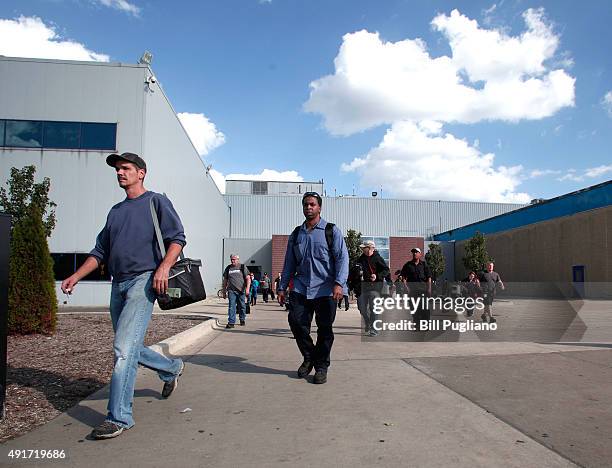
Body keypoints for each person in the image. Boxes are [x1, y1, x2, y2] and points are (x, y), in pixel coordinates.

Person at [60, 152, 186, 440]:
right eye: (117, 169)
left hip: (144, 282)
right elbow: (100, 251)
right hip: (118, 284)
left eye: (126, 168)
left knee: (122, 350)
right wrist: (76, 276)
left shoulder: (156, 202)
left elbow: (177, 237)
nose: (120, 172)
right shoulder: (115, 212)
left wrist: (163, 267)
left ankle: (119, 417)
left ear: (141, 172)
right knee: (128, 347)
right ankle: (171, 368)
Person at [277, 192, 348, 384]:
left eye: (312, 204)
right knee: (296, 323)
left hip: (326, 289)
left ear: (319, 208)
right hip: (301, 287)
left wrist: (339, 283)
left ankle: (321, 367)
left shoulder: (331, 231)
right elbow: (289, 262)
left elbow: (342, 259)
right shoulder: (296, 234)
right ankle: (309, 357)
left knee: (325, 330)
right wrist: (282, 287)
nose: (308, 207)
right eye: (305, 205)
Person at [355, 240, 390, 336]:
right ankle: (368, 322)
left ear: (370, 248)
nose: (362, 249)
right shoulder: (360, 259)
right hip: (362, 288)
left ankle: (374, 329)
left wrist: (377, 276)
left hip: (375, 288)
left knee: (374, 308)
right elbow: (355, 271)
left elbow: (386, 270)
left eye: (364, 248)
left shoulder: (378, 258)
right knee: (362, 308)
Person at [401, 247, 432, 330]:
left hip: (423, 290)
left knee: (424, 308)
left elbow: (429, 277)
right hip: (412, 291)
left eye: (416, 252)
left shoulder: (424, 265)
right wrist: (406, 287)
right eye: (413, 252)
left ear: (420, 254)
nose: (414, 253)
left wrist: (429, 289)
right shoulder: (408, 265)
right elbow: (403, 277)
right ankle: (417, 325)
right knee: (414, 309)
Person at [222, 254, 251, 328]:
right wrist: (224, 291)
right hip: (231, 291)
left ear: (238, 260)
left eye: (234, 259)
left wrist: (247, 288)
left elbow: (248, 278)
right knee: (231, 306)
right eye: (231, 259)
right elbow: (225, 280)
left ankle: (242, 319)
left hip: (241, 291)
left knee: (242, 306)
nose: (232, 261)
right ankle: (231, 322)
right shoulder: (228, 268)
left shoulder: (242, 267)